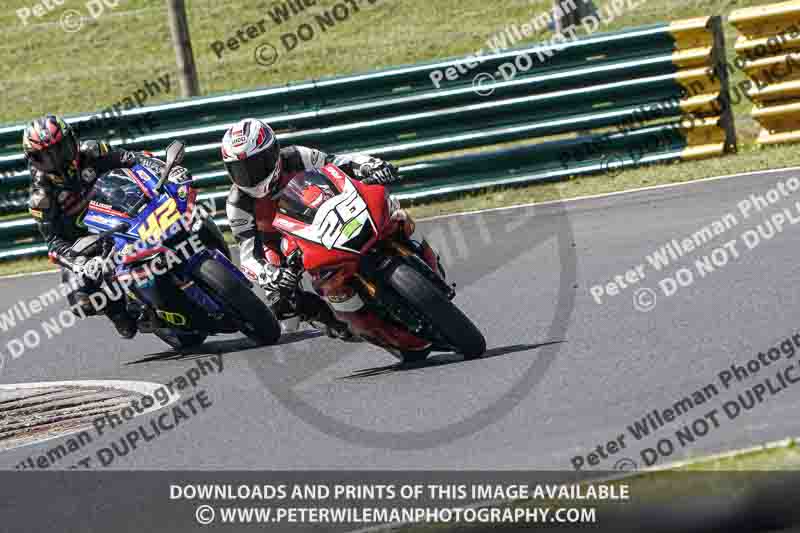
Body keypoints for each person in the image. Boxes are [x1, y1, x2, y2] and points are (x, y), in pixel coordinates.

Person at [222, 118, 434, 336]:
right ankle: (339, 325)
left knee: (394, 213)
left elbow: (339, 164)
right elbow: (247, 256)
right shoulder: (237, 204)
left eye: (257, 165)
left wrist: (370, 165)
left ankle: (426, 257)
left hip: (323, 214)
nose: (250, 175)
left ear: (273, 152)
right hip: (278, 243)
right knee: (286, 312)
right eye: (240, 170)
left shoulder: (296, 156)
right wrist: (270, 274)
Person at [24, 115, 141, 338]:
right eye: (47, 156)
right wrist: (79, 262)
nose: (57, 159)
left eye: (61, 149)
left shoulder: (93, 151)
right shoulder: (41, 196)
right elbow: (53, 243)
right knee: (81, 303)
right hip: (85, 242)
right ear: (34, 159)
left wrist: (160, 167)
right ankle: (117, 312)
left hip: (123, 213)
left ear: (72, 140)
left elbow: (131, 159)